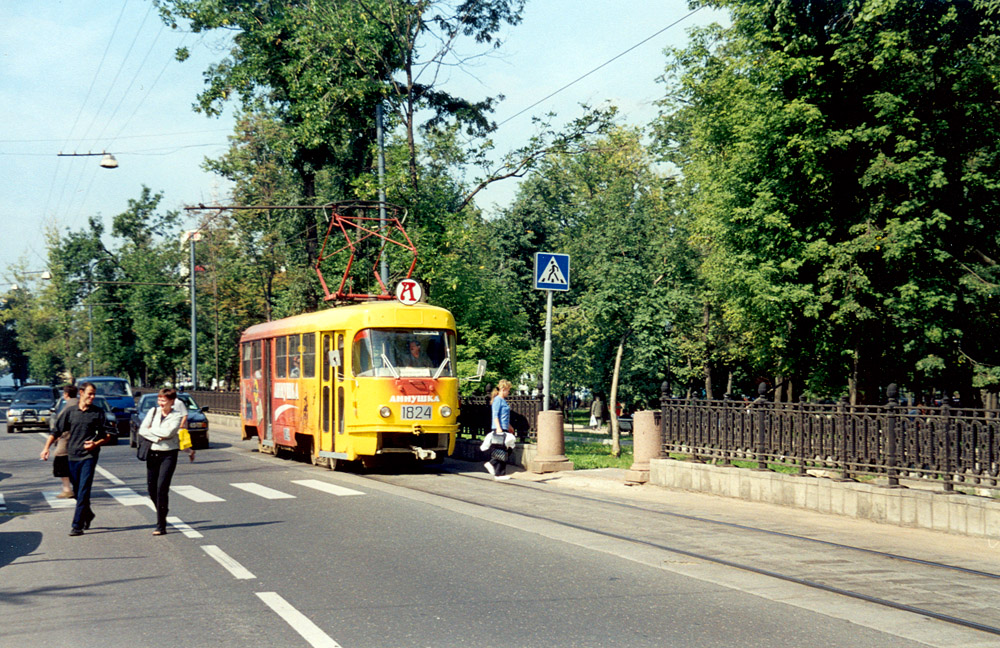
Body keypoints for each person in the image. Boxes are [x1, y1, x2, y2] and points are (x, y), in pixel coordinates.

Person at [47, 382, 109, 536]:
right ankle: (88, 514)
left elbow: (107, 434)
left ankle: (77, 526)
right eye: (90, 393)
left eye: (94, 394)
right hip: (72, 456)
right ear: (81, 393)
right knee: (77, 490)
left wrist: (95, 444)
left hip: (89, 456)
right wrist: (45, 448)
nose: (92, 397)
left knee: (83, 490)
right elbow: (57, 430)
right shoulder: (70, 412)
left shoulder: (98, 412)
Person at [139, 388, 195, 535]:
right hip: (152, 453)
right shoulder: (153, 412)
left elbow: (168, 433)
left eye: (164, 400)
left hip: (168, 455)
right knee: (151, 489)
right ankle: (162, 509)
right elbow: (142, 429)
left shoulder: (177, 416)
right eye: (159, 400)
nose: (161, 403)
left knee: (161, 488)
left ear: (172, 401)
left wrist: (152, 432)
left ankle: (160, 525)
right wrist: (157, 436)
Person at [40, 384, 79, 499]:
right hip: (78, 439)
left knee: (60, 461)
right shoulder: (78, 403)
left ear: (65, 394)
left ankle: (67, 489)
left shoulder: (68, 406)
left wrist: (49, 444)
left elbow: (59, 426)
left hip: (67, 440)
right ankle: (76, 488)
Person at [481, 379, 516, 480]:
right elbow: (495, 415)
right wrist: (499, 428)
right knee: (502, 450)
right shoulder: (497, 400)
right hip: (499, 428)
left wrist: (509, 426)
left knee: (505, 449)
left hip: (504, 427)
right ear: (503, 389)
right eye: (508, 390)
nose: (508, 392)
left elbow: (504, 416)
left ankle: (499, 473)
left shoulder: (502, 400)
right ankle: (493, 466)